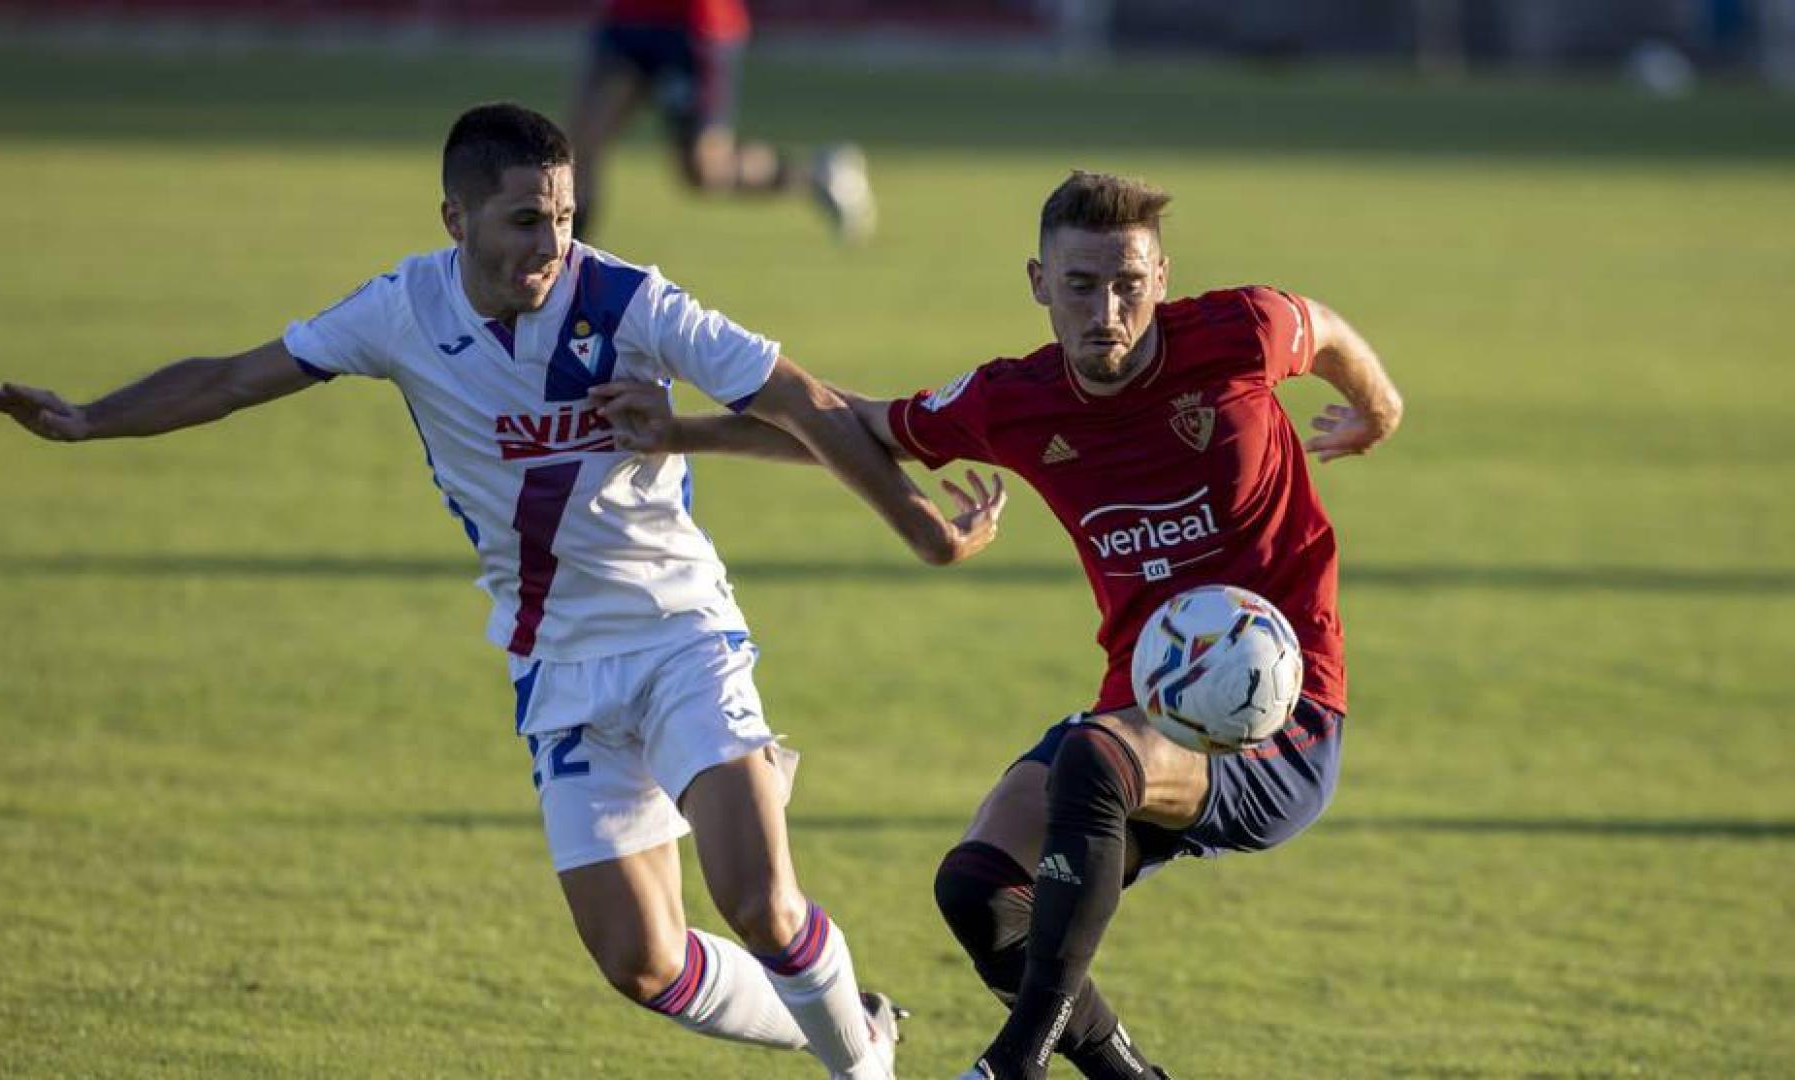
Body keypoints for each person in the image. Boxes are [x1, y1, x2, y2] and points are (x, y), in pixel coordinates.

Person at [0, 102, 1009, 1079]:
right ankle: (851, 1021)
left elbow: (809, 404)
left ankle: (862, 1066)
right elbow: (237, 378)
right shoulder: (401, 311)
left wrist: (923, 529)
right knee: (640, 962)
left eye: (561, 216)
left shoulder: (630, 301)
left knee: (759, 902)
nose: (550, 242)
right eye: (525, 219)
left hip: (681, 633)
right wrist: (89, 419)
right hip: (556, 661)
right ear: (455, 218)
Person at [590, 170, 1404, 1078]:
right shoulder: (1015, 402)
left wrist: (1379, 405)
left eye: (1129, 284)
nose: (1107, 309)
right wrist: (681, 432)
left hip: (1280, 728)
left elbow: (1321, 328)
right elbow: (854, 428)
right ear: (1038, 283)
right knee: (980, 891)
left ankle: (1012, 1064)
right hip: (1139, 722)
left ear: (1161, 278)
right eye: (1082, 284)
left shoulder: (1238, 334)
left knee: (1097, 760)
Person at [569, 0, 876, 242]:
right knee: (581, 147)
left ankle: (813, 175)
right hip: (629, 19)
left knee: (705, 171)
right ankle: (564, 268)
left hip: (695, 26)